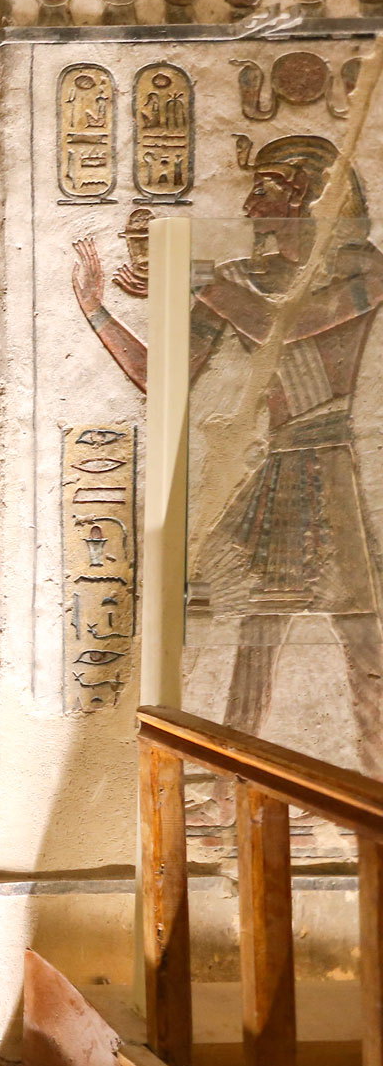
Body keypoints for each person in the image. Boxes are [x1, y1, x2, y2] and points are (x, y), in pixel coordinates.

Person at [74, 134, 383, 764]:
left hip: (329, 466)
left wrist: (191, 278)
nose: (246, 205)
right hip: (277, 466)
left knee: (360, 632)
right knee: (259, 632)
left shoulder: (365, 271)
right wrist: (98, 311)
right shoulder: (239, 280)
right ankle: (229, 781)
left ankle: (372, 777)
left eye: (262, 187)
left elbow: (286, 325)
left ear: (300, 193)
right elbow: (162, 377)